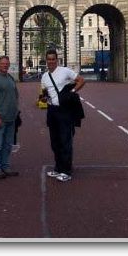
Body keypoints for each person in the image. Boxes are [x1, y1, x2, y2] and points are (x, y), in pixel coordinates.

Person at [40, 48, 86, 183]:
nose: (51, 62)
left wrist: (71, 92)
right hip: (52, 110)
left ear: (57, 60)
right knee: (55, 141)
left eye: (53, 59)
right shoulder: (44, 76)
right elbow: (44, 93)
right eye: (49, 59)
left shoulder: (65, 71)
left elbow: (81, 80)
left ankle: (66, 170)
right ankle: (58, 167)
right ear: (46, 61)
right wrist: (42, 99)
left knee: (65, 140)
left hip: (65, 111)